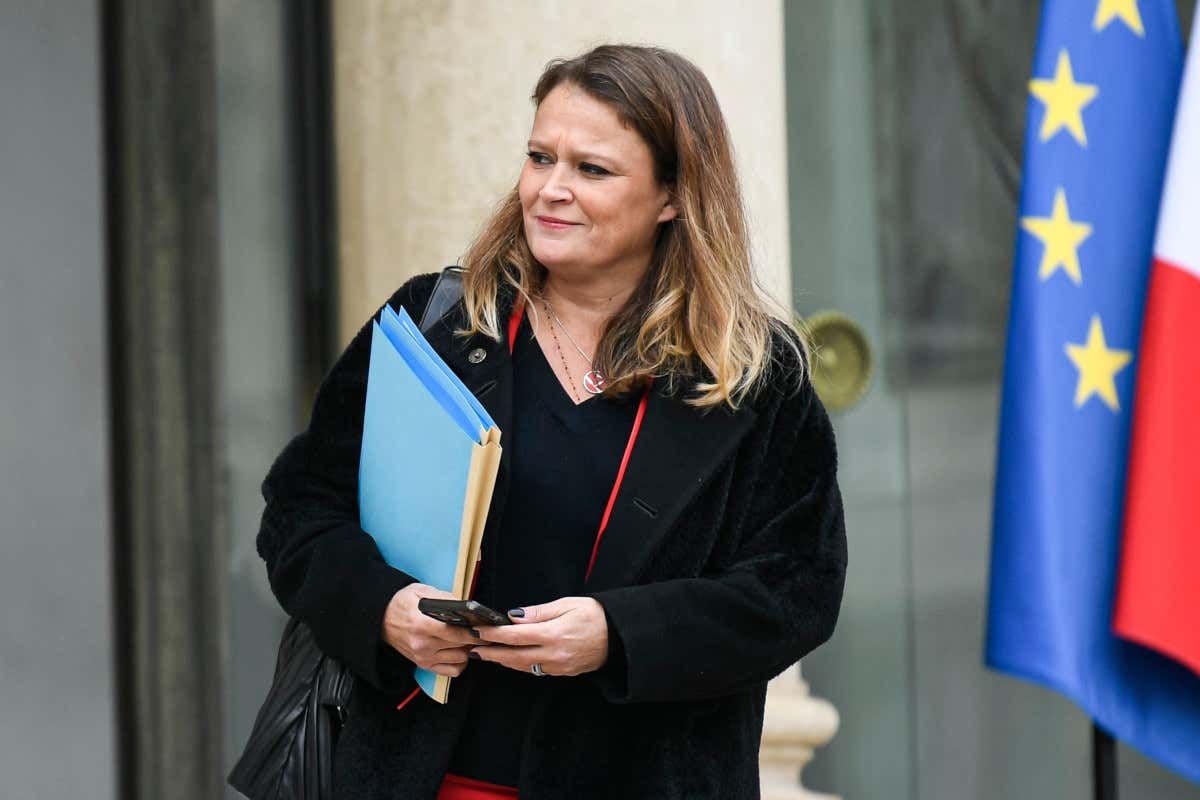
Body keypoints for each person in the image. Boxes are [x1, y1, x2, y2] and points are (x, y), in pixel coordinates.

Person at [256, 44, 847, 800]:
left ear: (673, 196)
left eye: (591, 169)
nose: (551, 190)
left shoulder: (754, 376)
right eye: (540, 158)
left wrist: (618, 636)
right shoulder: (440, 324)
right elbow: (301, 507)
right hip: (418, 776)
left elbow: (797, 590)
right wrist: (383, 607)